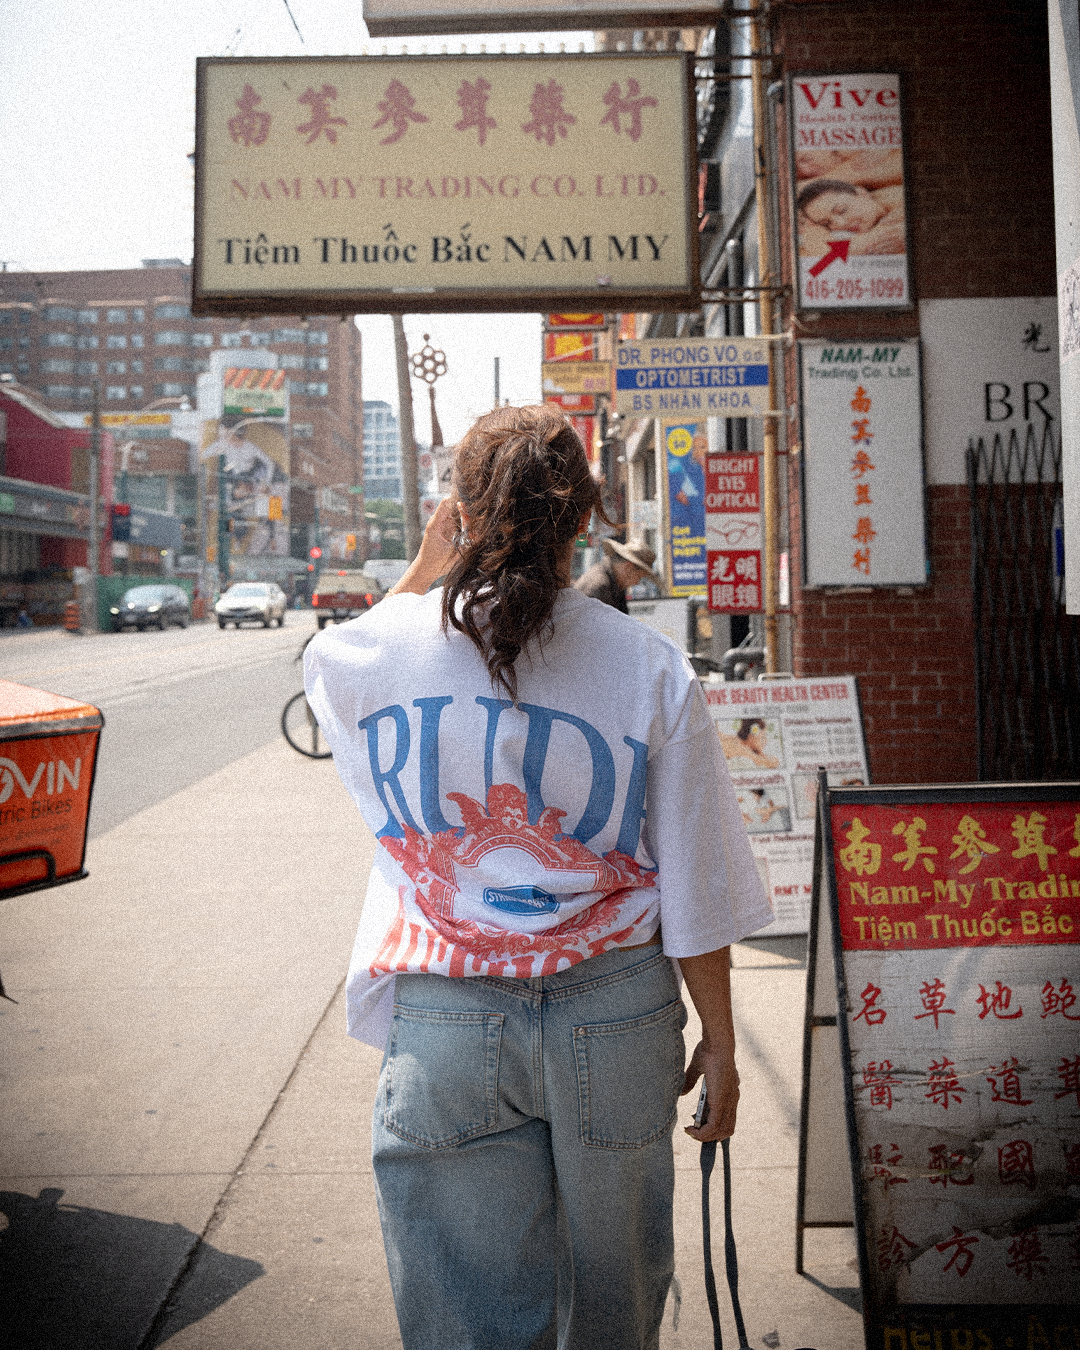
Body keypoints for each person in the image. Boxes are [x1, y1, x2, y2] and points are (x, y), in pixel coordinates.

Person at [304, 405, 771, 1350]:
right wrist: (719, 1043)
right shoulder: (648, 665)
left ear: (461, 512)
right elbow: (696, 876)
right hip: (617, 1014)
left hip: (449, 1017)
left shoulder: (376, 652)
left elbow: (330, 671)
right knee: (614, 1305)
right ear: (584, 519)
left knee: (468, 1314)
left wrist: (431, 567)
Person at [574, 536, 657, 613]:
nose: (637, 583)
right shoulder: (600, 586)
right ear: (628, 567)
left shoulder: (614, 583)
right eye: (639, 577)